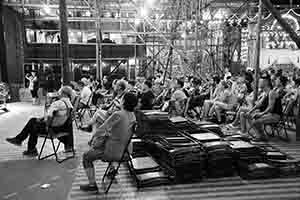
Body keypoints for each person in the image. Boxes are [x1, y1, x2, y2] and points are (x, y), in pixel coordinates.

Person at [79, 92, 138, 192]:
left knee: (86, 157)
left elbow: (101, 130)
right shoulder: (133, 116)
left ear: (123, 102)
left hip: (111, 152)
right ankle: (112, 169)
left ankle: (92, 185)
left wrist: (92, 141)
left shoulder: (118, 115)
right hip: (125, 152)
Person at [6, 86, 74, 156]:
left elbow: (50, 116)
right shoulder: (69, 104)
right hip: (61, 127)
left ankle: (27, 146)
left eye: (59, 92)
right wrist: (43, 119)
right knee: (33, 120)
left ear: (63, 93)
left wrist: (46, 123)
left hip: (51, 129)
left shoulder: (57, 103)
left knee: (33, 125)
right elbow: (56, 116)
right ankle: (23, 143)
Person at [246, 76, 285, 141]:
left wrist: (261, 114)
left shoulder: (271, 92)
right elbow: (258, 105)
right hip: (269, 114)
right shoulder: (265, 93)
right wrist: (250, 111)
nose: (258, 83)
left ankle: (260, 135)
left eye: (260, 81)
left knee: (256, 121)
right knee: (250, 116)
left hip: (276, 116)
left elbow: (270, 108)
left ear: (266, 82)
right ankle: (261, 135)